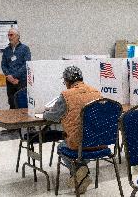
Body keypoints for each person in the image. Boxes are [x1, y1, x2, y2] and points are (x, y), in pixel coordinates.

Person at [43, 66, 102, 194]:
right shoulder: (97, 92)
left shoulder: (66, 95)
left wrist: (45, 112)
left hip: (78, 144)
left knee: (62, 147)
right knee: (79, 148)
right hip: (99, 143)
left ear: (67, 81)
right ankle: (82, 172)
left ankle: (80, 173)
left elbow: (53, 116)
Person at [1, 28, 31, 109]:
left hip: (21, 81)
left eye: (11, 35)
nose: (9, 37)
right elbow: (3, 65)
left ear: (18, 36)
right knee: (12, 103)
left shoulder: (25, 49)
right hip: (9, 81)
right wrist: (8, 76)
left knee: (21, 104)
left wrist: (14, 76)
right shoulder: (6, 50)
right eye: (8, 35)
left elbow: (26, 64)